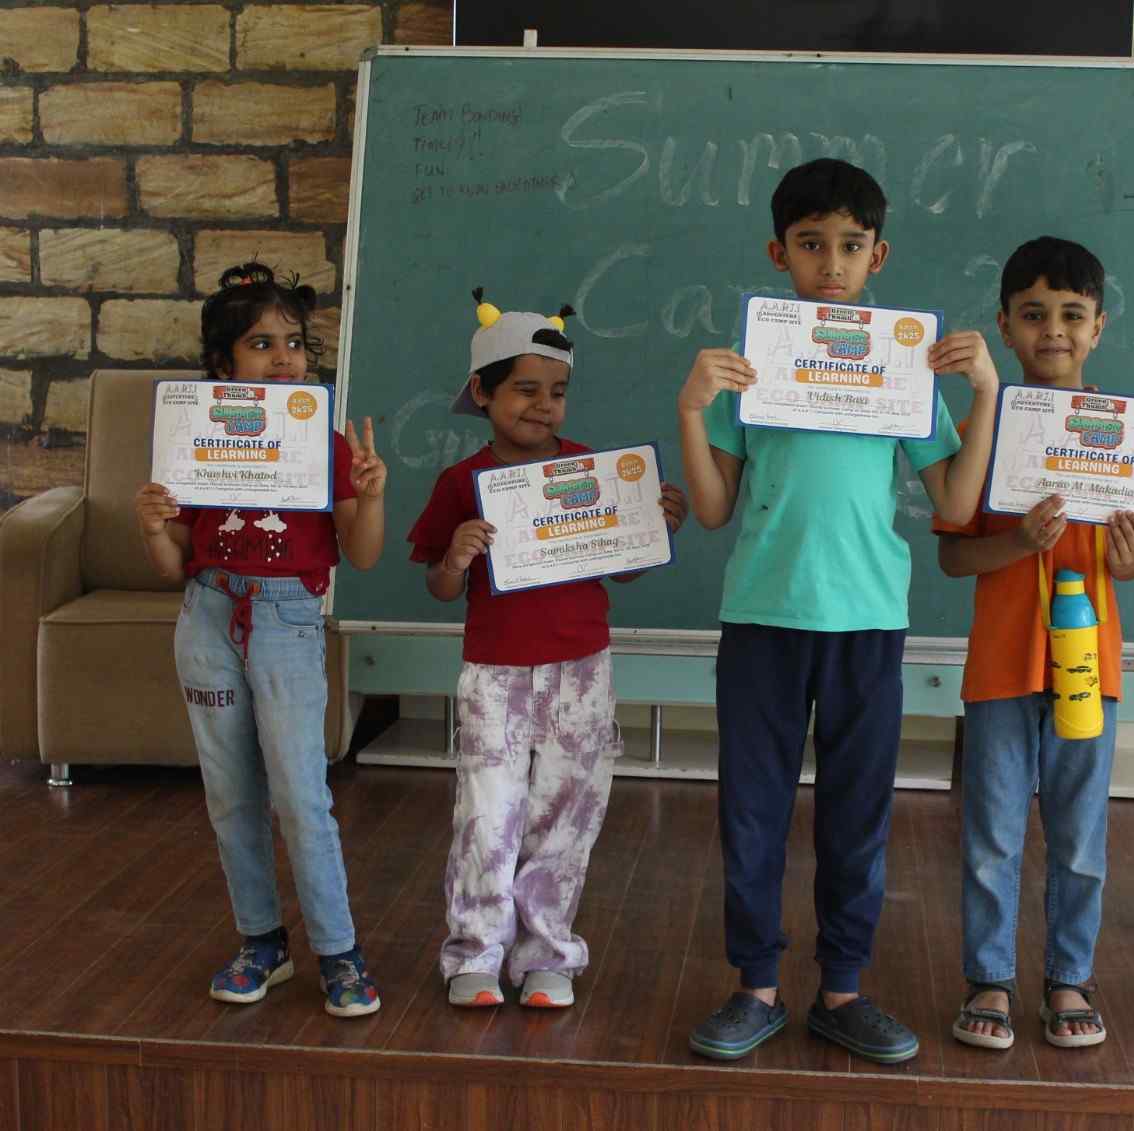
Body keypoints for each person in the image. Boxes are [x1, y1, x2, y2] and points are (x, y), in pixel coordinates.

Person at [678, 157, 1000, 1064]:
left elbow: (956, 505)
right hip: (764, 620)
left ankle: (845, 989)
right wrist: (691, 409)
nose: (831, 263)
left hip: (866, 621)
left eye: (850, 247)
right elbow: (710, 508)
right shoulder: (752, 368)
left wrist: (988, 394)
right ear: (778, 253)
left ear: (879, 256)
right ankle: (755, 986)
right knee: (753, 811)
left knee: (857, 813)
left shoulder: (903, 371)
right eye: (812, 245)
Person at [408, 294, 688, 1009]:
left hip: (581, 668)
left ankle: (547, 954)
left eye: (557, 392)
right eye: (525, 390)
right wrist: (457, 556)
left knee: (569, 811)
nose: (543, 406)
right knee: (487, 810)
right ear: (483, 393)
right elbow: (439, 586)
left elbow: (623, 565)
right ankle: (474, 952)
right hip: (495, 673)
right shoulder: (460, 482)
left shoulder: (592, 469)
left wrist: (656, 527)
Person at [134, 261, 386, 1018]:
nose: (285, 360)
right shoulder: (196, 439)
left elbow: (363, 553)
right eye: (261, 344)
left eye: (296, 343)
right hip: (208, 615)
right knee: (230, 792)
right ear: (222, 365)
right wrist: (151, 524)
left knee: (301, 794)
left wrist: (370, 495)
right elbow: (176, 561)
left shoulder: (325, 439)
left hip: (286, 620)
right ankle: (261, 941)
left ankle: (339, 950)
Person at [936, 236, 1134, 1051]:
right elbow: (955, 553)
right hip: (999, 663)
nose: (1052, 330)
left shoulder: (1126, 438)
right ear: (1004, 324)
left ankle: (1069, 976)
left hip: (1087, 668)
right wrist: (1019, 540)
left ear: (1099, 327)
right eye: (1033, 315)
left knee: (1081, 833)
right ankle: (989, 977)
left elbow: (1126, 560)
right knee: (992, 832)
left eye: (1071, 314)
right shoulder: (983, 428)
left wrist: (1132, 563)